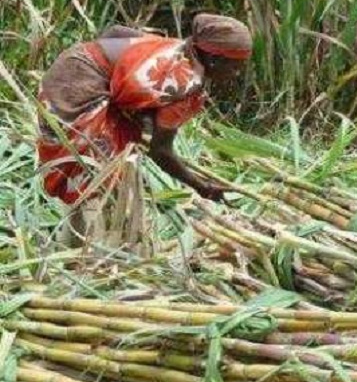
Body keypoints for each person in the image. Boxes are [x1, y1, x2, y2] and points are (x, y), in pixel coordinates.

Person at [37, 13, 252, 242]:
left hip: (73, 61)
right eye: (234, 67)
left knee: (101, 170)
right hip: (76, 88)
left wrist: (125, 86)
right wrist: (202, 186)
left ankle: (78, 244)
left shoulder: (176, 48)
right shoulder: (184, 86)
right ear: (213, 59)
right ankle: (83, 251)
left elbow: (114, 32)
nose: (235, 75)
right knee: (98, 176)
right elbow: (160, 151)